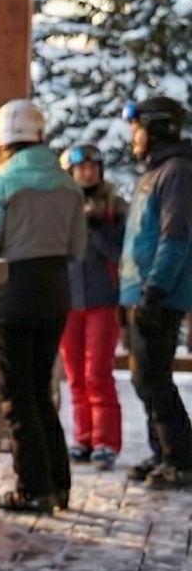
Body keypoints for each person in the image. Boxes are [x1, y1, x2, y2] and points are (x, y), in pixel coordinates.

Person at [0, 99, 86, 514]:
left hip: (13, 294)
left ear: (2, 138)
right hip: (56, 292)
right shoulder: (69, 186)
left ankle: (34, 488)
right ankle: (58, 485)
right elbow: (77, 248)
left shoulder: (1, 184)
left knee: (17, 395)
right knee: (40, 390)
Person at [119, 95, 192, 489]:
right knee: (143, 378)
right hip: (140, 291)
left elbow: (175, 236)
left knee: (154, 378)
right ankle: (162, 450)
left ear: (158, 128)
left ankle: (181, 458)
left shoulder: (177, 171)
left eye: (138, 129)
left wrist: (155, 290)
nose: (134, 137)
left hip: (160, 294)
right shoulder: (155, 171)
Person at [59, 144, 126, 469]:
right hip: (68, 299)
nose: (87, 173)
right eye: (81, 168)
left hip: (103, 299)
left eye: (92, 167)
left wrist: (98, 229)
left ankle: (105, 441)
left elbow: (122, 253)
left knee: (97, 373)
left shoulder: (115, 207)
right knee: (75, 376)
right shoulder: (60, 205)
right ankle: (83, 437)